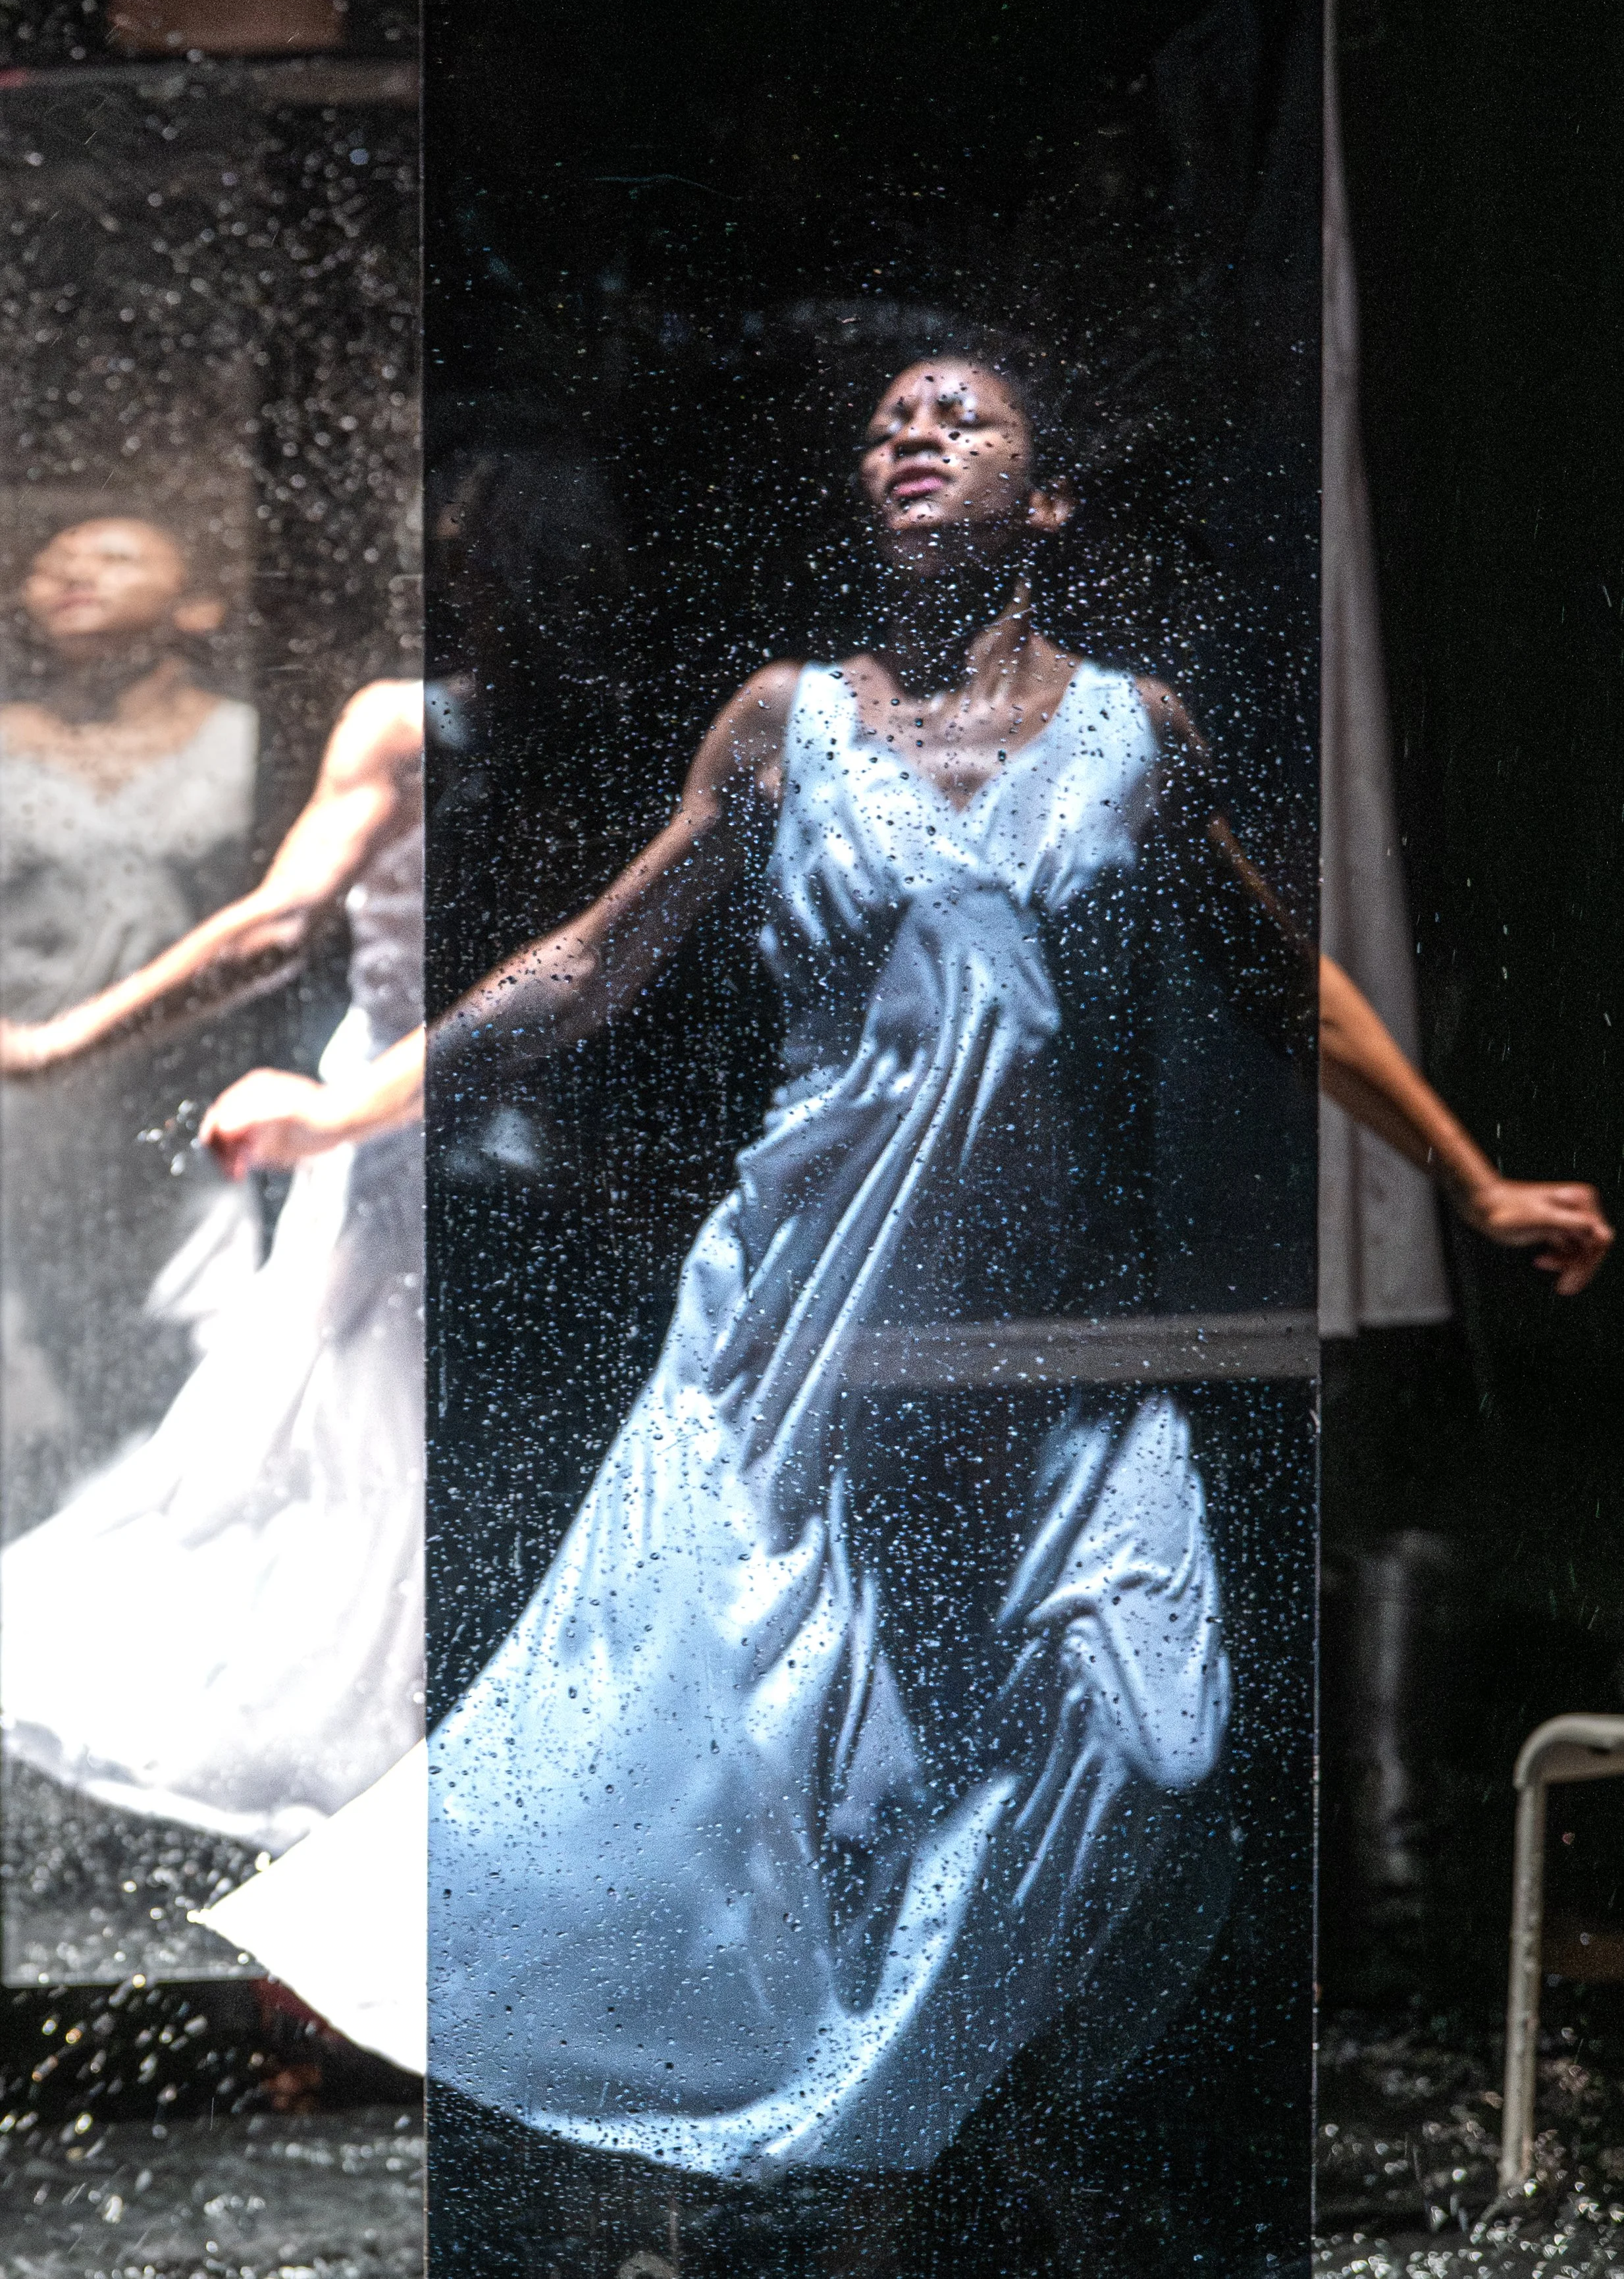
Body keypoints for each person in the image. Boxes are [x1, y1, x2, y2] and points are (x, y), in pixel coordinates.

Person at [198, 348, 1611, 2170]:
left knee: (1151, 1738)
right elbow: (592, 961)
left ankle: (892, 2097)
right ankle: (852, 2162)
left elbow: (1282, 980)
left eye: (964, 415)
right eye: (886, 422)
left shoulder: (1136, 732)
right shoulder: (785, 722)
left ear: (1050, 498)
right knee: (736, 1758)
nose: (917, 433)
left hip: (1054, 1347)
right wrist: (346, 1111)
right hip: (804, 1335)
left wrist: (1476, 1179)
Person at [0, 676, 425, 1854]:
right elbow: (279, 924)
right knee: (342, 1446)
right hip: (391, 1128)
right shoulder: (412, 719)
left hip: (495, 1120)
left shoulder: (568, 704)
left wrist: (53, 1044)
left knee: (400, 1461)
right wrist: (52, 1044)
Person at [0, 516, 258, 1535]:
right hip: (20, 1093)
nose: (70, 570)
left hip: (187, 1089)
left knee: (195, 1332)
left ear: (198, 605)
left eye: (111, 555)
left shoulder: (252, 741)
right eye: (52, 559)